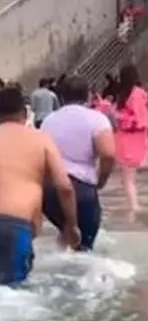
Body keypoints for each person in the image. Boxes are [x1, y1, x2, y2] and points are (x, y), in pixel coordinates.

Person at [0, 86, 78, 287]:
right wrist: (72, 225)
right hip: (12, 226)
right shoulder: (40, 139)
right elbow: (65, 187)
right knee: (12, 294)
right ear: (25, 112)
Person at [40, 75, 116, 252]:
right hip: (81, 189)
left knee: (66, 234)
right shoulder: (97, 119)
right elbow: (109, 154)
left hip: (51, 191)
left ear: (61, 97)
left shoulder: (49, 121)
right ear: (89, 96)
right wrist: (101, 180)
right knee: (84, 248)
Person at [95, 64, 148, 216]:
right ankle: (133, 206)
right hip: (124, 138)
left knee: (128, 176)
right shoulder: (127, 94)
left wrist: (120, 117)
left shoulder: (137, 95)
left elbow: (140, 120)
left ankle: (134, 207)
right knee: (126, 177)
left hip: (132, 139)